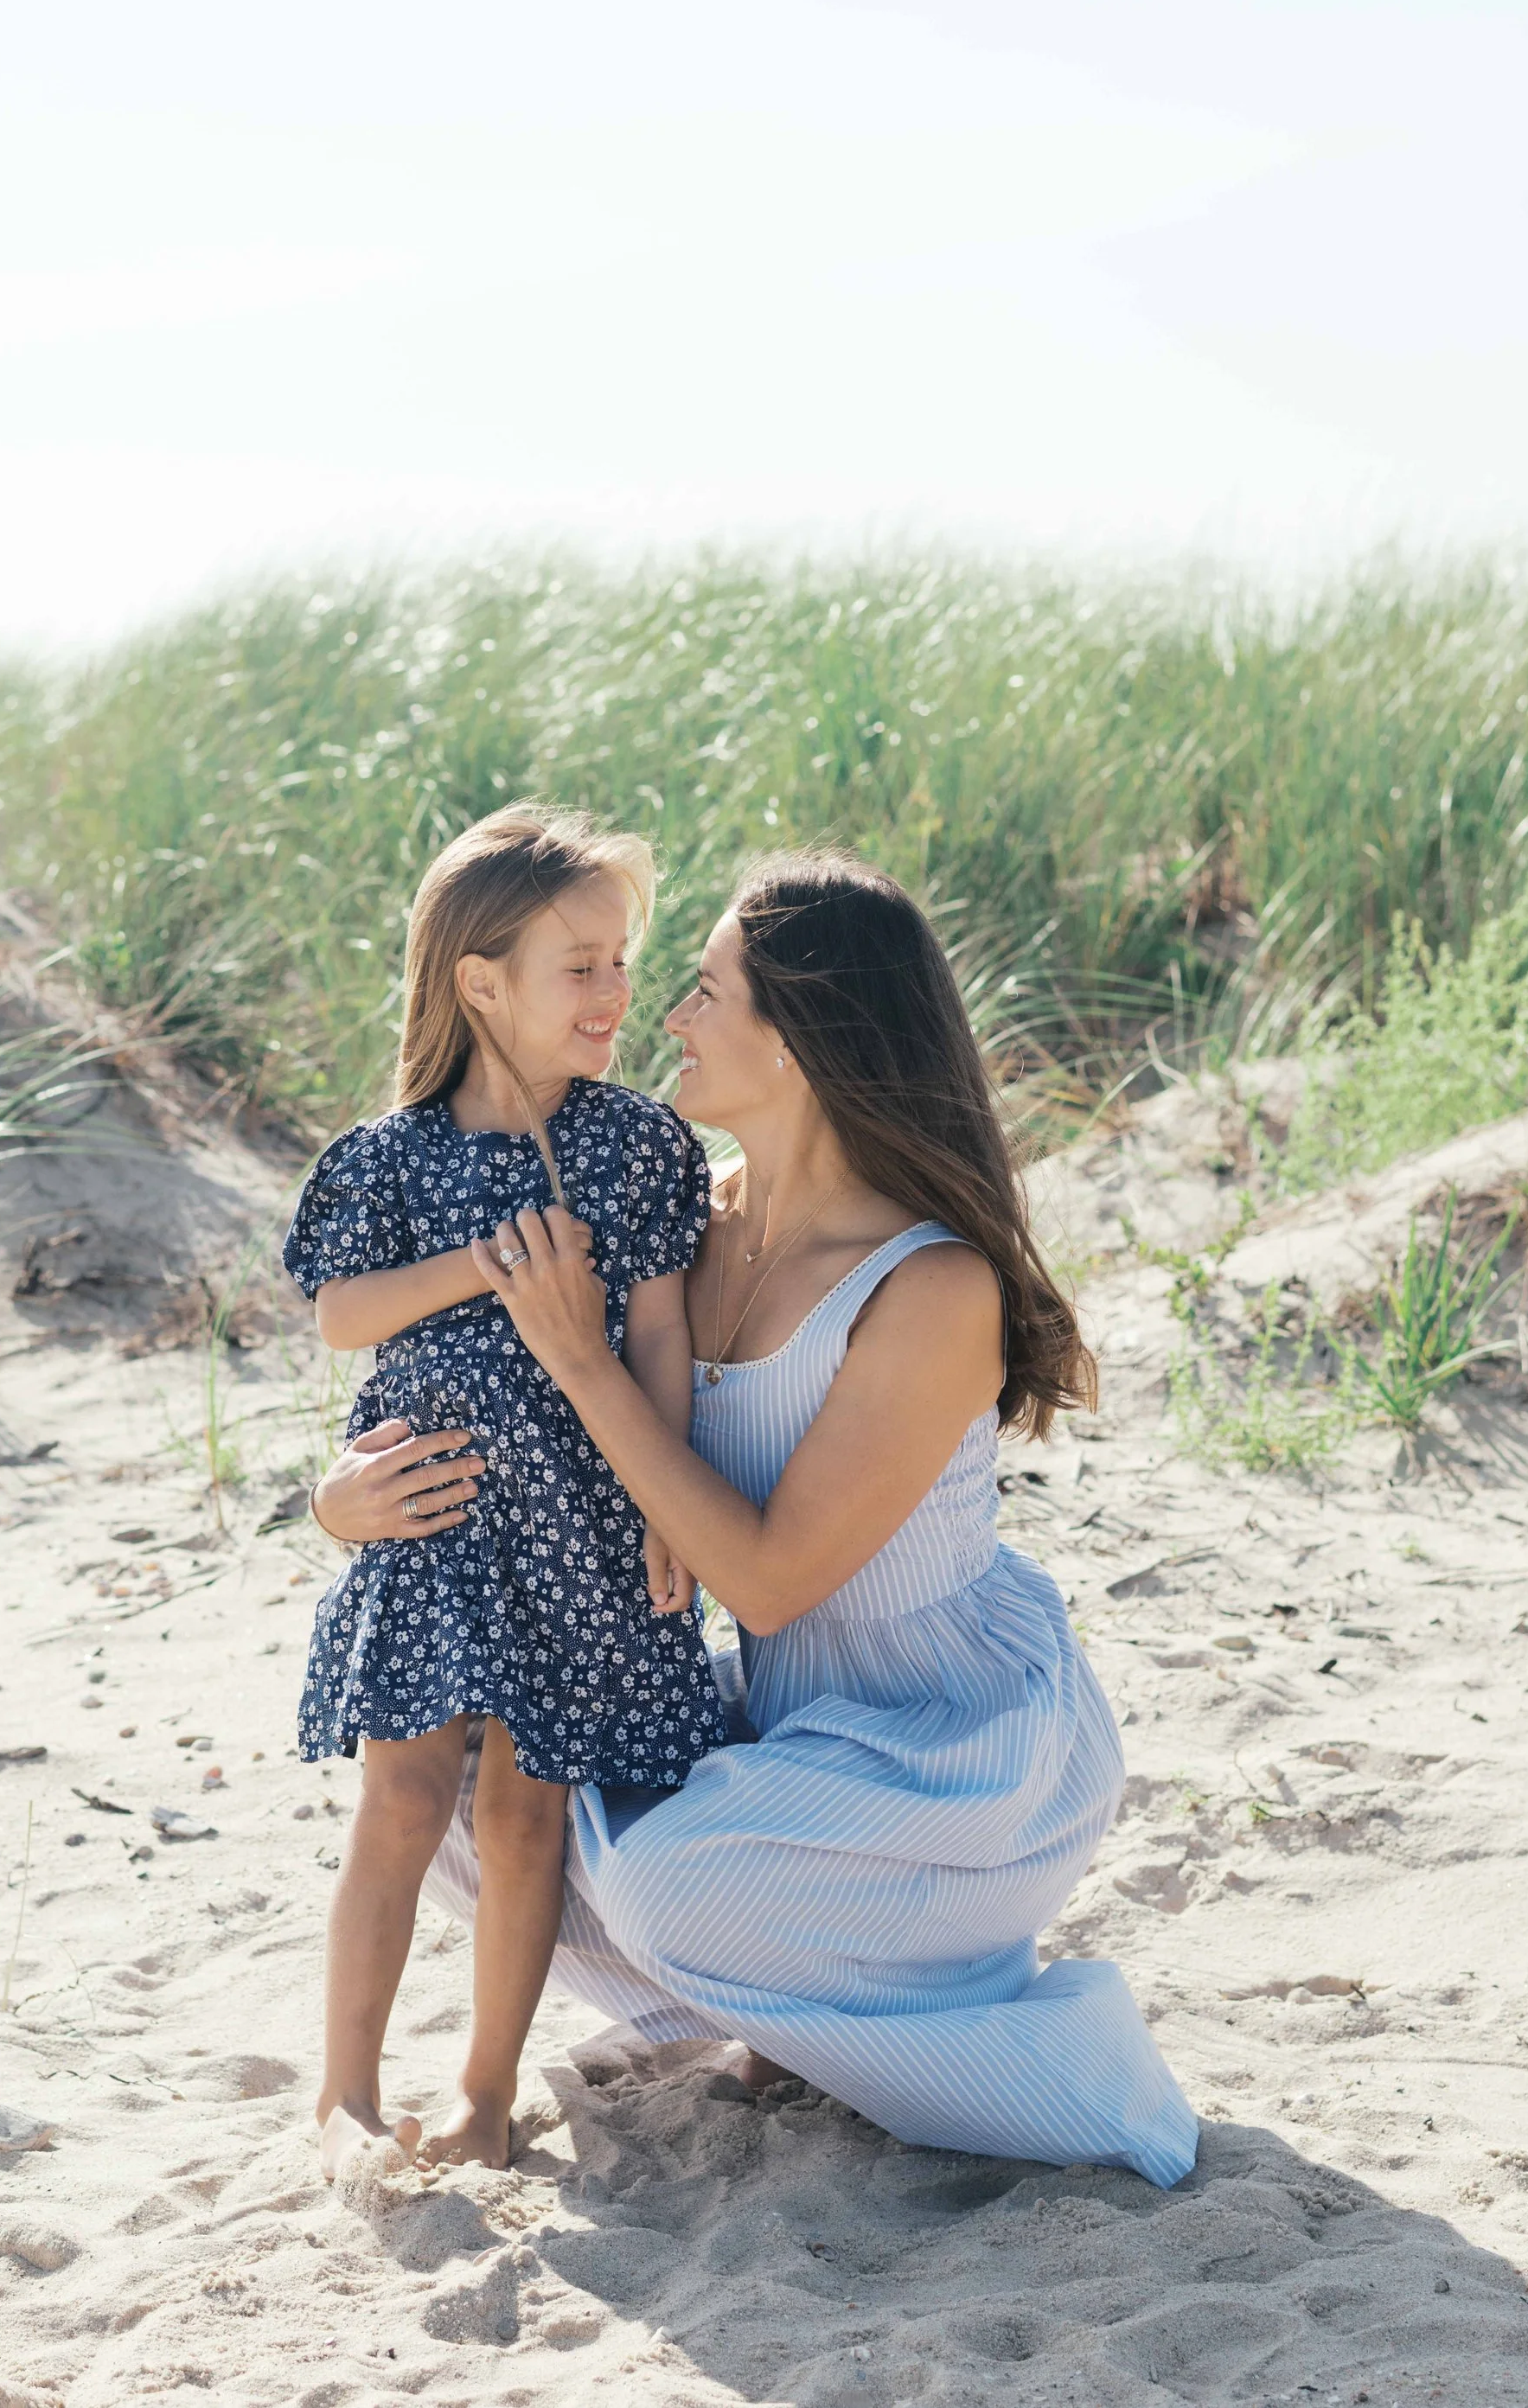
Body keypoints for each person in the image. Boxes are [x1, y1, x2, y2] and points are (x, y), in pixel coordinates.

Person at [315, 848, 1199, 2188]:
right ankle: (791, 2010)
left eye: (705, 991)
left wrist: (584, 1361)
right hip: (783, 1715)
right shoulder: (694, 1219)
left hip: (949, 1739)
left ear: (799, 1040)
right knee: (450, 1784)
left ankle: (937, 2022)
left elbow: (771, 1581)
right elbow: (457, 1392)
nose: (662, 1013)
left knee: (664, 1881)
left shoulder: (930, 1285)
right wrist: (343, 1502)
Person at [285, 802, 726, 2175]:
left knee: (528, 1812)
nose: (616, 992)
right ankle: (344, 2090)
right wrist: (486, 1263)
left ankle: (484, 2094)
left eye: (622, 961)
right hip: (438, 1518)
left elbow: (660, 1334)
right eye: (580, 964)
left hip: (585, 1528)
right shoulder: (386, 1157)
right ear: (481, 982)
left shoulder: (638, 1145)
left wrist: (667, 1499)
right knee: (403, 1804)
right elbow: (343, 1315)